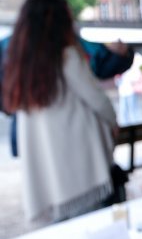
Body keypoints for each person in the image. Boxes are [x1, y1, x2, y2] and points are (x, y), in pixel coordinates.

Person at [2, 0, 119, 223]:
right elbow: (98, 100)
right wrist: (114, 124)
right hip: (80, 168)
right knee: (90, 227)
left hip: (47, 171)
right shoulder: (66, 56)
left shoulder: (20, 64)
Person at [1, 34, 133, 157]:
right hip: (58, 136)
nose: (118, 41)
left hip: (41, 134)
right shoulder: (75, 49)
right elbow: (96, 98)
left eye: (121, 45)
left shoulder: (73, 51)